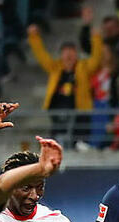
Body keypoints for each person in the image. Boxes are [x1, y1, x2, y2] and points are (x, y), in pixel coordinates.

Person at [27, 7, 103, 146]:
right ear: (61, 54)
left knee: (80, 142)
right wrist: (34, 37)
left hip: (80, 112)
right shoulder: (55, 67)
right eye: (65, 52)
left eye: (72, 51)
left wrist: (96, 38)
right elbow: (41, 55)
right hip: (59, 112)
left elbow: (97, 59)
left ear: (77, 54)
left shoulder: (84, 67)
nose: (69, 55)